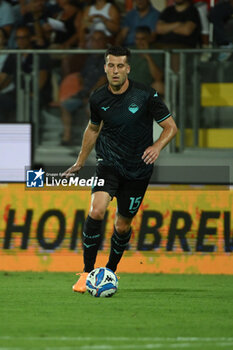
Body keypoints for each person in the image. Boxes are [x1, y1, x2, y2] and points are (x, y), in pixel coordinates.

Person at [62, 46, 177, 293]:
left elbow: (170, 127)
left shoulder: (146, 95)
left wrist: (157, 146)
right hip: (108, 164)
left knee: (122, 226)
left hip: (138, 170)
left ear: (128, 69)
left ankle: (110, 272)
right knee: (96, 211)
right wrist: (81, 161)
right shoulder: (98, 98)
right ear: (105, 67)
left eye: (120, 66)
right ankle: (86, 272)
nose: (115, 71)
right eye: (111, 65)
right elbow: (93, 129)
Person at [59, 30, 108, 145]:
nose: (96, 43)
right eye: (93, 40)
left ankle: (97, 141)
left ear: (105, 42)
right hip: (84, 93)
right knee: (65, 105)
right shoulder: (89, 58)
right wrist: (82, 91)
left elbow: (103, 80)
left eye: (99, 39)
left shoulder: (108, 59)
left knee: (91, 108)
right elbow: (81, 76)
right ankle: (67, 137)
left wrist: (90, 95)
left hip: (101, 94)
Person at [129, 26, 164, 95]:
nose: (139, 42)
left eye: (143, 39)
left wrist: (148, 56)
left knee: (160, 86)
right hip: (129, 87)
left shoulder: (156, 52)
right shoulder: (129, 51)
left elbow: (158, 77)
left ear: (149, 39)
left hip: (147, 88)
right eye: (137, 39)